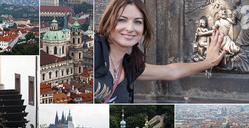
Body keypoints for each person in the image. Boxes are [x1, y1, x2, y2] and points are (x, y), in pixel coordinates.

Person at [95, 0, 226, 103]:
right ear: (108, 22)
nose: (130, 28)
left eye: (138, 22)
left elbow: (171, 72)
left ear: (143, 29)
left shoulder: (128, 67)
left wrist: (208, 62)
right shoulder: (95, 48)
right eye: (121, 20)